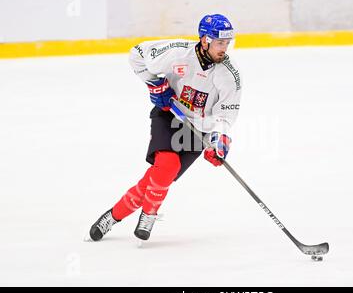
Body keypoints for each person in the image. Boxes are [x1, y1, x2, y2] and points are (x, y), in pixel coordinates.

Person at [88, 14, 242, 242]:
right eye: (220, 42)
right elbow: (137, 54)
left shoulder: (229, 74)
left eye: (228, 43)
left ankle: (112, 216)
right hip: (169, 115)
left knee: (156, 179)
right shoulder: (177, 52)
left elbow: (225, 113)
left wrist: (219, 138)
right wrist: (154, 83)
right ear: (205, 40)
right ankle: (149, 215)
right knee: (167, 166)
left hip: (198, 130)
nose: (225, 48)